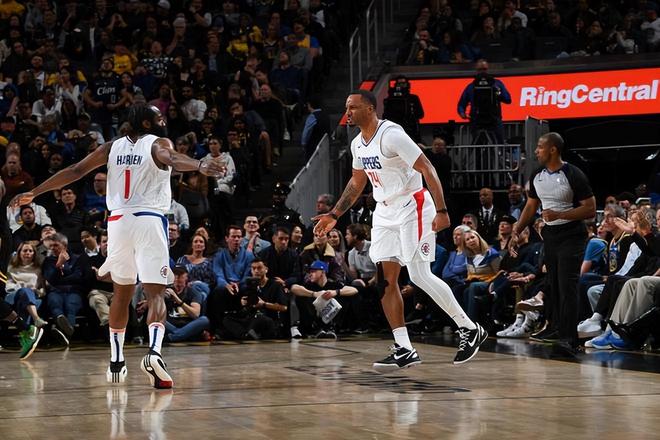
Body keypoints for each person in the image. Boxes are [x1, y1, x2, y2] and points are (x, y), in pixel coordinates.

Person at [11, 104, 224, 388]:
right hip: (149, 220)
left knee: (121, 294)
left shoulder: (111, 147)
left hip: (118, 223)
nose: (163, 119)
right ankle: (154, 353)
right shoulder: (157, 142)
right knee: (156, 293)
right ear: (146, 123)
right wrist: (199, 165)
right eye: (158, 117)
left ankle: (116, 361)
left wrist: (35, 192)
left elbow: (76, 170)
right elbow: (172, 158)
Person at [314, 90, 487, 370]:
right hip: (384, 211)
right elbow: (357, 182)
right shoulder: (358, 144)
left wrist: (442, 211)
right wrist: (335, 214)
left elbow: (427, 168)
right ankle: (405, 348)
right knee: (385, 280)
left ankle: (469, 328)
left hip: (411, 204)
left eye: (353, 107)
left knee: (419, 275)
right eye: (346, 107)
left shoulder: (391, 134)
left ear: (370, 109)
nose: (348, 113)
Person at [510, 132, 596, 353]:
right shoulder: (537, 174)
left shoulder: (573, 173)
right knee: (553, 284)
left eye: (540, 147)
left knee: (567, 285)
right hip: (550, 234)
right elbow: (531, 206)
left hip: (572, 234)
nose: (536, 151)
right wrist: (517, 230)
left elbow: (590, 209)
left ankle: (569, 338)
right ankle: (556, 327)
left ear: (553, 149)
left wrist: (560, 215)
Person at [457, 59, 511, 144]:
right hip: (476, 121)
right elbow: (461, 104)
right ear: (476, 70)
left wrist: (497, 92)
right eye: (480, 69)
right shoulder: (471, 87)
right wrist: (462, 113)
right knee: (478, 146)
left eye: (484, 69)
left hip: (494, 120)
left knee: (499, 145)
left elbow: (508, 99)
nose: (482, 72)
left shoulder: (497, 84)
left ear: (488, 69)